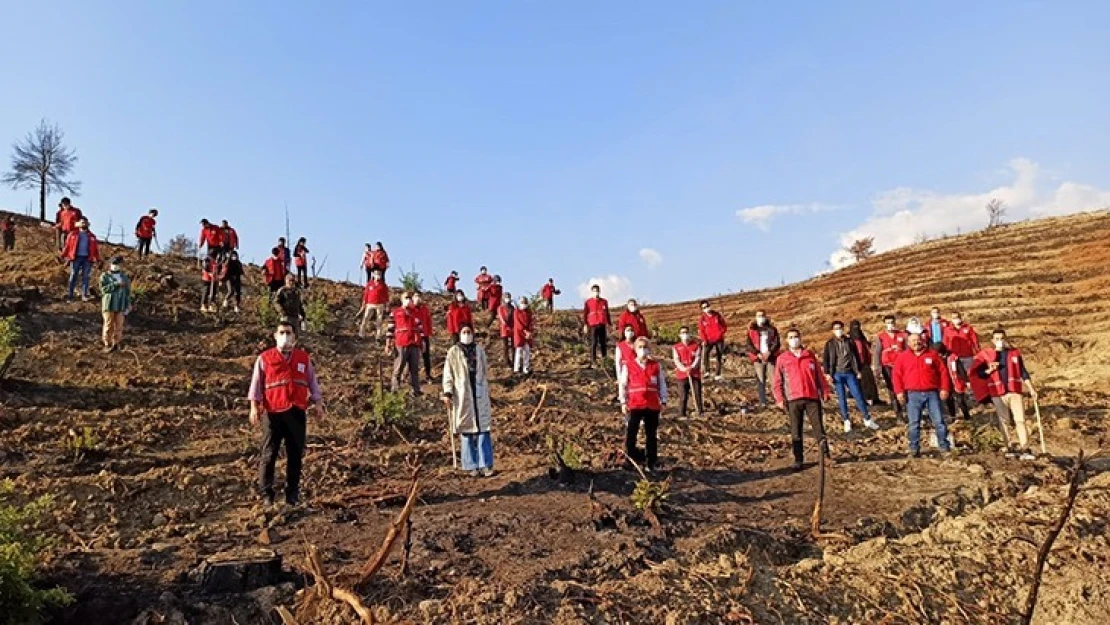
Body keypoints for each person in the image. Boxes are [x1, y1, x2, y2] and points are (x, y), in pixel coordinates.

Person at [248, 320, 324, 506]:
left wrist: (318, 402)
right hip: (273, 412)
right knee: (269, 454)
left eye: (289, 333)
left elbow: (312, 382)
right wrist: (253, 407)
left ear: (295, 337)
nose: (285, 336)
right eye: (282, 332)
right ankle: (266, 494)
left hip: (296, 411)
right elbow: (256, 384)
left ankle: (292, 494)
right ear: (275, 336)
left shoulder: (303, 359)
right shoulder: (265, 358)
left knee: (295, 454)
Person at [971, 328, 1039, 460]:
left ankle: (1025, 447)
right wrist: (988, 370)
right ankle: (1008, 447)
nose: (999, 341)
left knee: (1020, 420)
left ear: (1006, 339)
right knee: (1004, 421)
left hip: (1014, 391)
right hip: (998, 393)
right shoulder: (986, 356)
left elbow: (1023, 372)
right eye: (996, 339)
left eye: (1001, 338)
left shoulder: (1014, 354)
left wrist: (1031, 388)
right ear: (992, 340)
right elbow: (978, 373)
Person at [772, 328, 832, 470]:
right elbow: (777, 381)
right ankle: (798, 459)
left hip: (812, 397)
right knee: (796, 430)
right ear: (787, 340)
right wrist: (779, 398)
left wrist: (825, 391)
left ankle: (826, 456)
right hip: (793, 398)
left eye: (796, 336)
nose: (794, 339)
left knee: (819, 428)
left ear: (800, 338)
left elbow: (820, 376)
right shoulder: (782, 359)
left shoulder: (809, 356)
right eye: (791, 337)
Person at [442, 325, 495, 477]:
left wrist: (484, 387)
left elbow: (484, 370)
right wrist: (447, 392)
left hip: (479, 392)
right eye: (464, 332)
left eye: (469, 332)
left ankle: (485, 464)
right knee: (466, 430)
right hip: (462, 393)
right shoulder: (453, 352)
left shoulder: (479, 350)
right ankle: (470, 465)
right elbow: (448, 373)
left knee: (483, 429)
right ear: (459, 334)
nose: (466, 334)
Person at [892, 332, 953, 458]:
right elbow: (896, 376)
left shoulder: (933, 355)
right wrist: (899, 392)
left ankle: (944, 447)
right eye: (913, 340)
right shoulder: (902, 357)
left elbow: (943, 373)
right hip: (912, 395)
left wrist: (945, 389)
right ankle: (914, 449)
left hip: (932, 393)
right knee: (914, 423)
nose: (916, 342)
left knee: (939, 422)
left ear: (922, 341)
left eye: (918, 340)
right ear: (908, 343)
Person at [619, 337, 667, 473]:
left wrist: (663, 400)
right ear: (635, 349)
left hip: (652, 405)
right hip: (635, 405)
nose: (643, 349)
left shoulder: (655, 366)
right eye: (640, 347)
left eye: (645, 346)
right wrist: (623, 401)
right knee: (631, 433)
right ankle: (630, 460)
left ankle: (651, 463)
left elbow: (661, 384)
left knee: (651, 435)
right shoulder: (628, 365)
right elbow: (623, 385)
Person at [822, 321, 881, 432]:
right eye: (836, 328)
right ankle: (846, 420)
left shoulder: (850, 341)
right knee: (842, 398)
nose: (838, 330)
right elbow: (826, 359)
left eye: (840, 328)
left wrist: (858, 370)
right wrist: (827, 373)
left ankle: (867, 419)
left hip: (850, 373)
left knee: (858, 395)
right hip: (837, 374)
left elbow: (855, 356)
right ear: (832, 331)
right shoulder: (829, 344)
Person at [872, 315, 908, 421]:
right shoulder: (881, 337)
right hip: (888, 366)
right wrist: (877, 367)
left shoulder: (902, 335)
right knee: (892, 389)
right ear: (884, 324)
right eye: (888, 323)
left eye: (892, 322)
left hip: (901, 365)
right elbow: (877, 353)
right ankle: (898, 413)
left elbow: (907, 349)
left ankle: (907, 409)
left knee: (904, 387)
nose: (890, 325)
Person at [388, 293, 423, 395]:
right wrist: (388, 343)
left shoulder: (415, 313)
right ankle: (395, 389)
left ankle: (415, 389)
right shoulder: (395, 312)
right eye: (406, 298)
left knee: (414, 368)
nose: (408, 300)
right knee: (399, 366)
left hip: (414, 343)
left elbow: (420, 329)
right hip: (401, 343)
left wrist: (422, 342)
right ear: (402, 300)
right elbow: (390, 328)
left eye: (410, 298)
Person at [62, 218, 100, 301]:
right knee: (73, 275)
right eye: (82, 222)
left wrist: (97, 259)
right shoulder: (73, 234)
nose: (84, 224)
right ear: (78, 224)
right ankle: (70, 295)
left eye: (85, 222)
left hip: (87, 258)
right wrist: (63, 255)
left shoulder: (92, 236)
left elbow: (95, 249)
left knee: (86, 276)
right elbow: (67, 246)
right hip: (75, 257)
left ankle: (84, 295)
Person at [99, 256, 131, 352]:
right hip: (109, 304)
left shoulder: (124, 277)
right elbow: (103, 289)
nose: (116, 266)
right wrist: (115, 284)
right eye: (114, 263)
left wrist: (128, 303)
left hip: (121, 304)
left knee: (119, 325)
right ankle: (107, 344)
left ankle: (116, 344)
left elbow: (128, 292)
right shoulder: (104, 276)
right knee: (108, 324)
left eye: (118, 264)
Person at [745, 310, 778, 404]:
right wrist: (757, 353)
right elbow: (749, 344)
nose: (761, 317)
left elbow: (776, 343)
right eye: (759, 316)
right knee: (761, 381)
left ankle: (777, 400)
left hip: (770, 357)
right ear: (755, 317)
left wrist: (770, 352)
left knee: (774, 380)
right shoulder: (752, 330)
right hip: (758, 359)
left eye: (762, 315)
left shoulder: (772, 329)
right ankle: (763, 402)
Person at [935, 342, 972, 421]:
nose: (939, 355)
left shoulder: (953, 357)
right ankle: (953, 417)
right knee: (949, 401)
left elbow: (960, 369)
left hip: (956, 381)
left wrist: (967, 380)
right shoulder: (936, 359)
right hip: (945, 383)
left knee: (960, 400)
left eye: (940, 353)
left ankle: (967, 416)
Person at [849, 320, 882, 406]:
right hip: (857, 364)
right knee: (862, 383)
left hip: (866, 363)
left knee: (870, 381)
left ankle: (874, 398)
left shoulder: (862, 337)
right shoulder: (850, 340)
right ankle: (865, 400)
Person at [672, 326, 703, 417]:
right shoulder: (676, 347)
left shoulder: (696, 346)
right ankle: (681, 414)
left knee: (697, 393)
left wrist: (692, 367)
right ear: (679, 335)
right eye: (682, 333)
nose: (685, 334)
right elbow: (676, 360)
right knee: (683, 396)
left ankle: (699, 412)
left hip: (695, 374)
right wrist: (684, 369)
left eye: (686, 332)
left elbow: (698, 358)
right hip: (682, 375)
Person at [700, 301, 731, 382]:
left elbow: (724, 325)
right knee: (705, 354)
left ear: (710, 306)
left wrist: (720, 333)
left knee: (719, 356)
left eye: (707, 306)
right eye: (704, 307)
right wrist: (704, 340)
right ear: (702, 309)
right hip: (709, 339)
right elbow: (701, 330)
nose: (706, 308)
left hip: (719, 339)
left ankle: (717, 374)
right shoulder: (702, 318)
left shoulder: (717, 315)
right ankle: (707, 371)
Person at [583, 284, 611, 368]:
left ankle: (604, 360)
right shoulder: (588, 302)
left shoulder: (604, 301)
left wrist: (609, 324)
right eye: (594, 291)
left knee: (603, 343)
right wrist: (585, 324)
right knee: (594, 343)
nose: (596, 292)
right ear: (592, 292)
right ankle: (593, 361)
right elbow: (585, 313)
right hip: (593, 324)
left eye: (597, 291)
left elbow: (607, 313)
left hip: (602, 323)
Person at [356, 271, 389, 339]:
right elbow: (366, 294)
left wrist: (387, 305)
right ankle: (361, 334)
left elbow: (386, 295)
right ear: (373, 275)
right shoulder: (369, 284)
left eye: (379, 274)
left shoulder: (383, 285)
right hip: (370, 304)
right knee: (365, 319)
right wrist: (364, 303)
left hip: (380, 304)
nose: (378, 275)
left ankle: (378, 337)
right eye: (376, 274)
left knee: (379, 321)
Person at [412, 292, 435, 383]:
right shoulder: (410, 309)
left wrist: (429, 332)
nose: (418, 298)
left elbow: (428, 321)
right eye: (416, 296)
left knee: (426, 356)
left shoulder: (424, 309)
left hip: (424, 335)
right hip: (414, 336)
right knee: (414, 357)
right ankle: (411, 376)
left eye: (419, 296)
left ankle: (428, 375)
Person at [513, 296, 535, 375]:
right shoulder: (516, 312)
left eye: (525, 303)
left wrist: (529, 332)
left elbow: (531, 323)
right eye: (522, 303)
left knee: (527, 351)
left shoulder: (528, 312)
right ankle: (516, 368)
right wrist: (526, 332)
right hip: (519, 334)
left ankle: (526, 368)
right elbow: (518, 324)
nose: (524, 304)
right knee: (518, 351)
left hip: (527, 335)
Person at [614, 326, 637, 392]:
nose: (630, 332)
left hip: (636, 369)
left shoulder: (637, 344)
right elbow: (618, 362)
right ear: (624, 332)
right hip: (626, 368)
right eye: (628, 330)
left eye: (631, 330)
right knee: (624, 385)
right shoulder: (620, 345)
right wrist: (619, 376)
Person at [496, 293, 515, 366]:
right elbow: (501, 318)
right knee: (505, 346)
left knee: (514, 346)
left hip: (512, 328)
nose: (508, 298)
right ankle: (506, 361)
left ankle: (514, 360)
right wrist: (505, 323)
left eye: (509, 297)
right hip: (504, 329)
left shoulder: (512, 307)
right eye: (506, 297)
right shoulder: (500, 307)